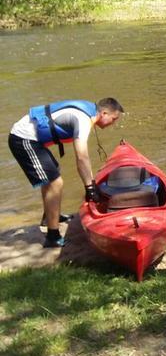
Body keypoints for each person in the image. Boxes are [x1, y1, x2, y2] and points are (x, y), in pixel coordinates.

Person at [8, 97, 124, 247]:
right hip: (23, 138)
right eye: (113, 119)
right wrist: (89, 188)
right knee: (55, 182)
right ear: (104, 113)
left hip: (32, 139)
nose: (113, 123)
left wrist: (91, 184)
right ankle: (52, 236)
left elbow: (84, 158)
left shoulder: (88, 113)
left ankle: (48, 217)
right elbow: (81, 157)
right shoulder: (83, 119)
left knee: (53, 173)